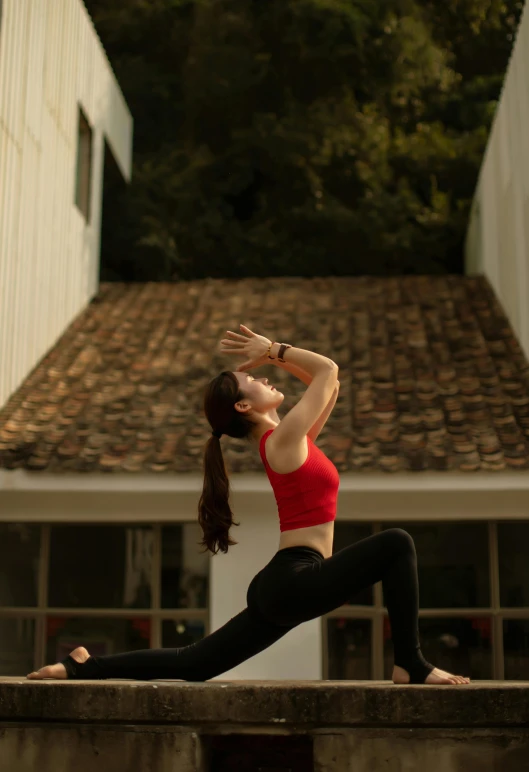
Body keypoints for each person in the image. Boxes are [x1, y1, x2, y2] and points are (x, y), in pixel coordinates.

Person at [27, 325, 470, 685]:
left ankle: (85, 666)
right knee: (396, 544)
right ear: (243, 405)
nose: (261, 377)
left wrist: (274, 359)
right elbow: (326, 368)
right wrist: (273, 349)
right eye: (251, 381)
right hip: (297, 578)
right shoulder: (282, 443)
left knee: (194, 664)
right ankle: (410, 662)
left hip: (288, 582)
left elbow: (330, 381)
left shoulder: (293, 441)